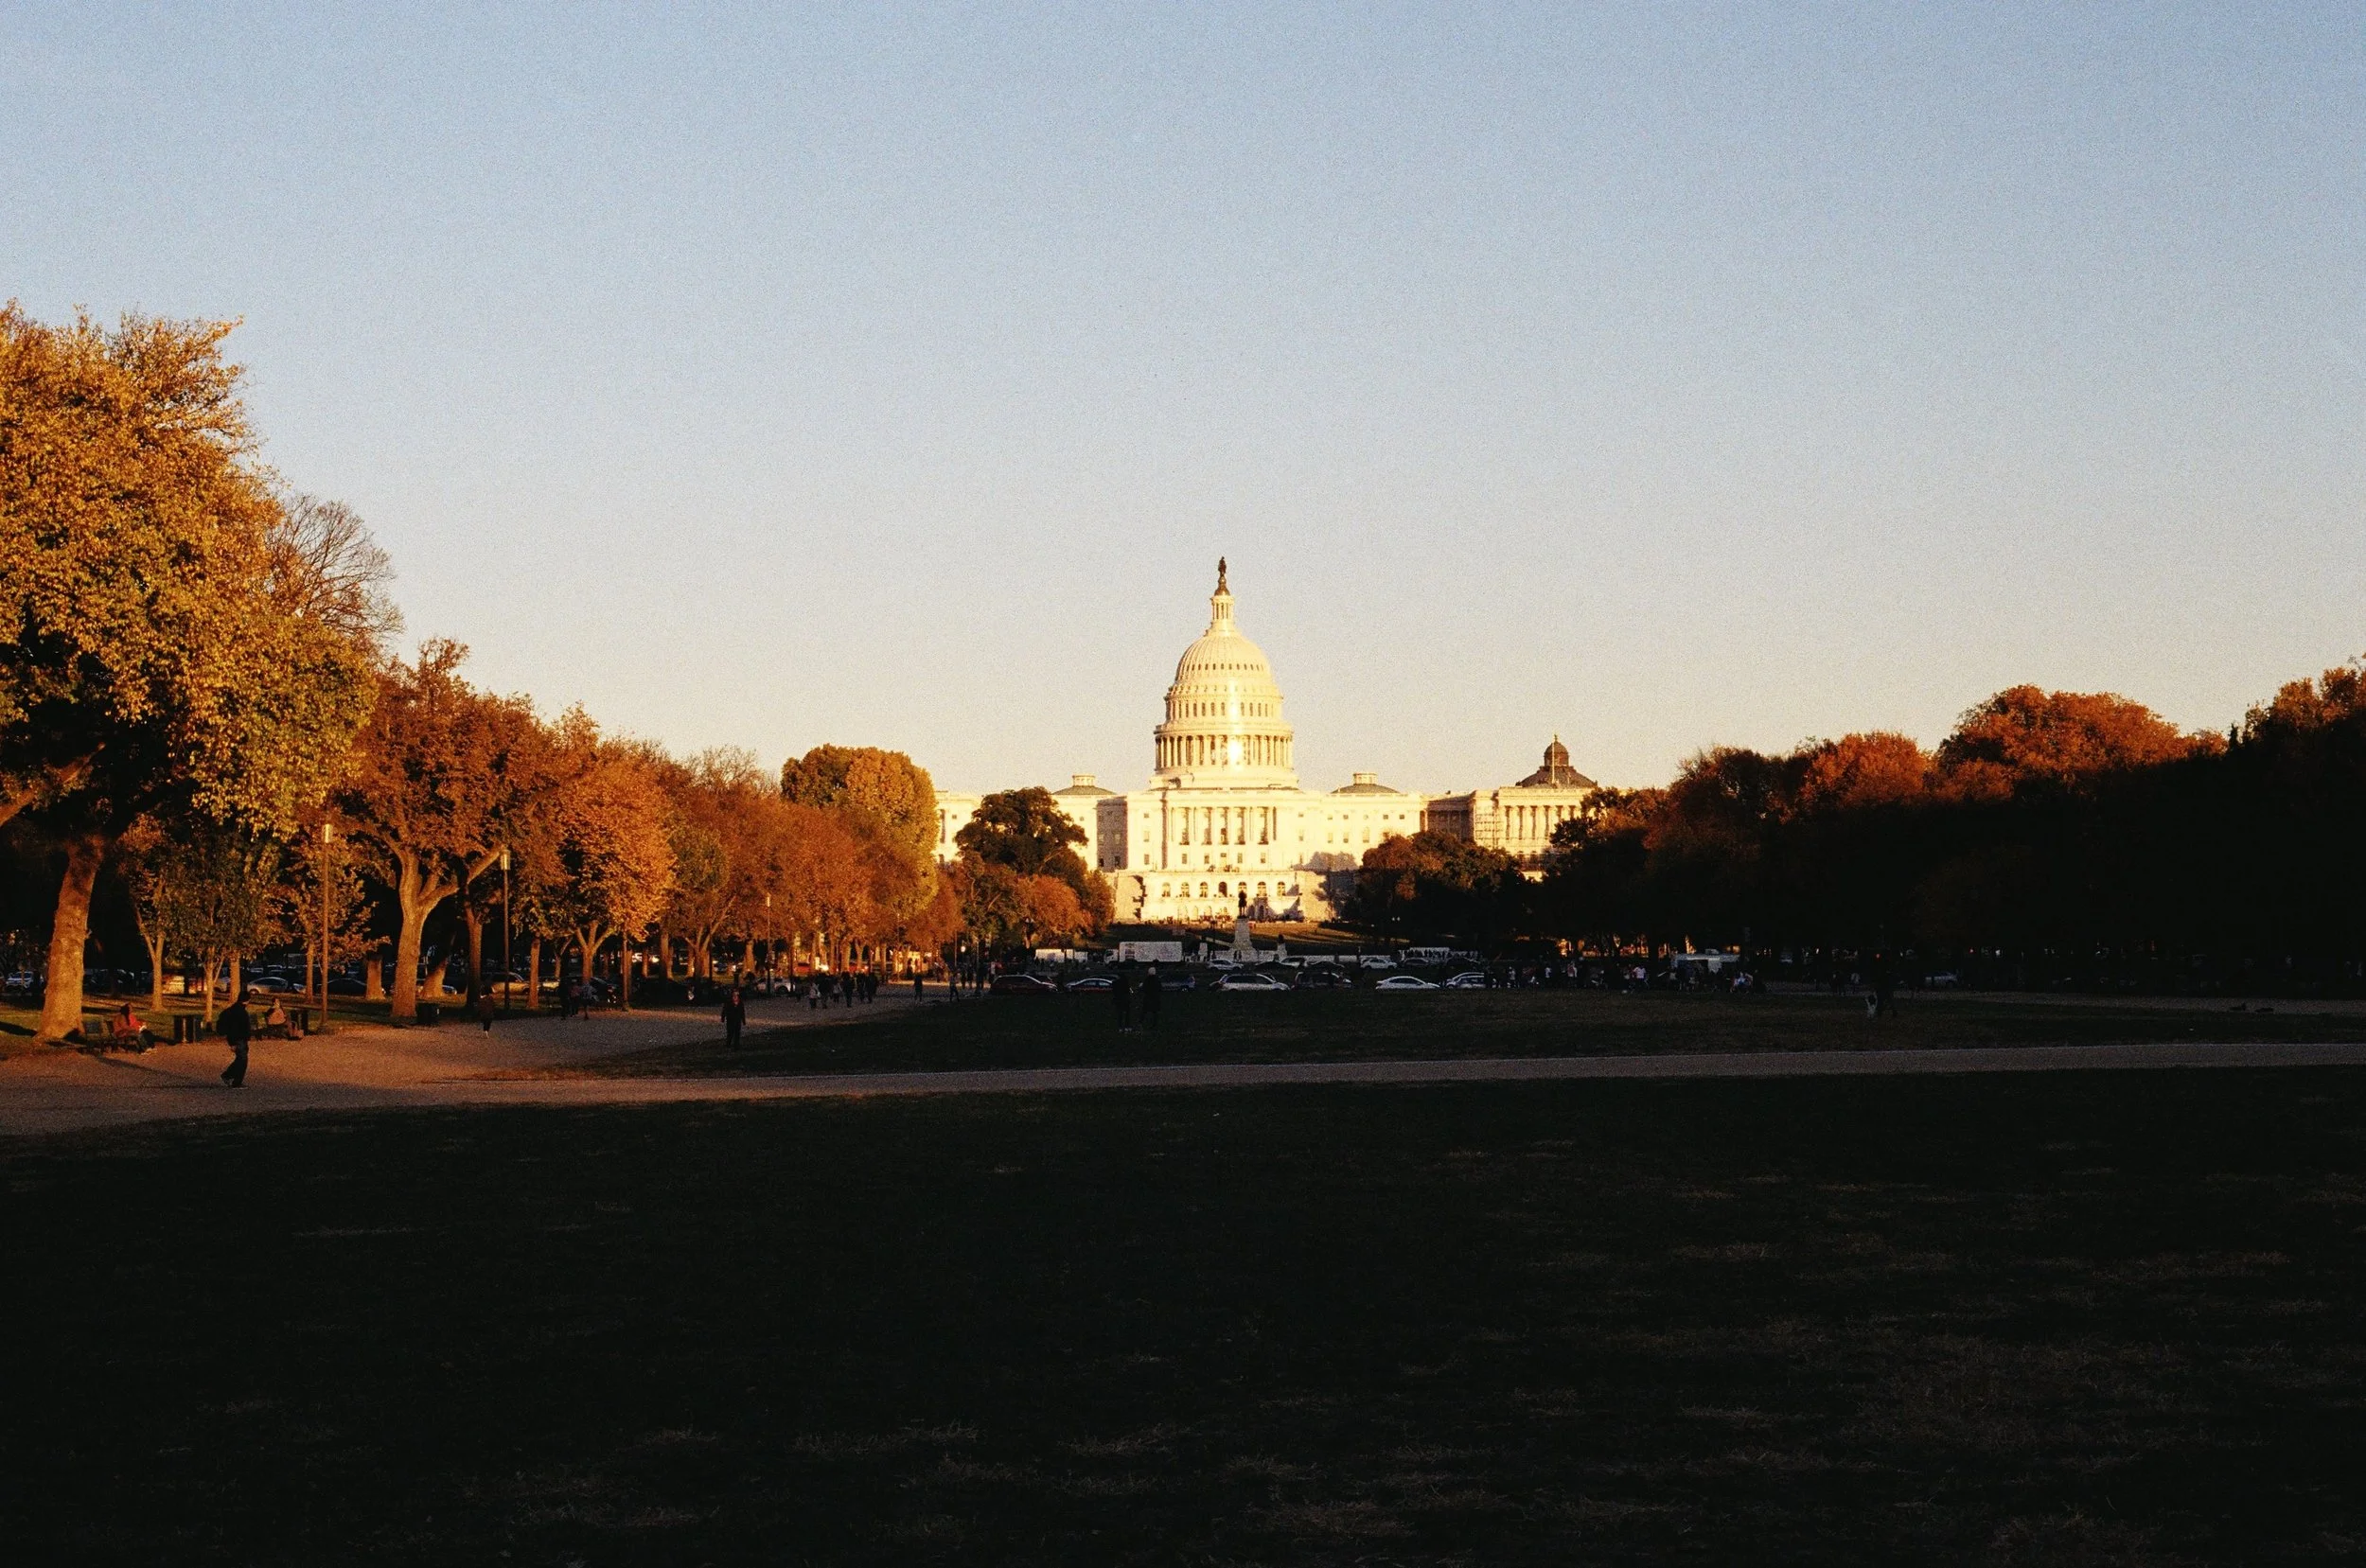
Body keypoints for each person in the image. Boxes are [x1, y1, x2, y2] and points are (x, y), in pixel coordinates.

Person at [219, 990, 255, 1087]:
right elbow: (235, 1028)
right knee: (242, 1060)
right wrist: (233, 1043)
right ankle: (236, 1081)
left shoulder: (233, 1010)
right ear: (248, 1000)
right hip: (239, 1039)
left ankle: (228, 1075)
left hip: (238, 1039)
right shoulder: (240, 1012)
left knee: (240, 1059)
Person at [721, 985, 746, 1049]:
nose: (736, 995)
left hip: (737, 1019)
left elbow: (742, 1011)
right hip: (730, 1019)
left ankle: (736, 1044)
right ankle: (728, 1044)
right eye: (735, 993)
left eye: (737, 993)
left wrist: (743, 1020)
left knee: (737, 1032)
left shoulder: (740, 1002)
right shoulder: (728, 1001)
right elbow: (724, 1010)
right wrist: (723, 1018)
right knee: (730, 1032)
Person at [1139, 963, 1161, 1030]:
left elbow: (1144, 988)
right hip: (1155, 998)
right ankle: (1154, 1024)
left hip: (1148, 998)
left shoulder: (1147, 980)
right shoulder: (1157, 980)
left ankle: (1141, 1022)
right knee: (1155, 1012)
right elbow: (1160, 988)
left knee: (1144, 1011)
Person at [1113, 967, 1134, 1031]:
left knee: (1120, 1014)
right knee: (1127, 1013)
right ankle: (1127, 1026)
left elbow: (1114, 991)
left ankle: (1120, 1027)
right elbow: (1130, 990)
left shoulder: (1115, 983)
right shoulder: (1126, 982)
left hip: (1119, 999)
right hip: (1126, 999)